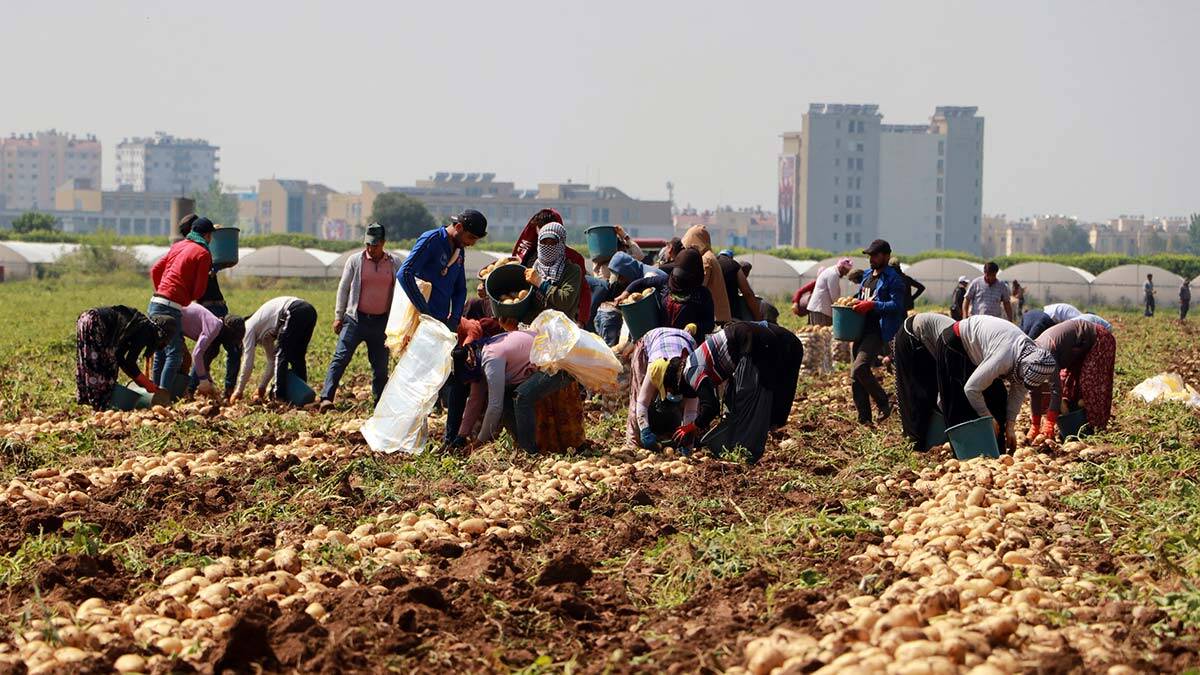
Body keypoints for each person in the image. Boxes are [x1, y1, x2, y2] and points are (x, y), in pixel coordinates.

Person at [660, 321, 803, 463]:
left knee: (747, 401)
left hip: (752, 344)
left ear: (675, 381)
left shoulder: (691, 371)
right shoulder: (693, 361)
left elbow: (711, 406)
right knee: (742, 397)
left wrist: (691, 427)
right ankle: (750, 442)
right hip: (758, 342)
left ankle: (745, 454)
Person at [934, 315, 1058, 453]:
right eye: (1024, 378)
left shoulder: (1030, 357)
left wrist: (1010, 426)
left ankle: (996, 451)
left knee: (998, 399)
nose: (1023, 382)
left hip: (979, 352)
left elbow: (1018, 391)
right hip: (955, 342)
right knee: (960, 402)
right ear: (1023, 367)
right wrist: (987, 417)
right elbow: (971, 389)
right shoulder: (1004, 357)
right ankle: (964, 453)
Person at [320, 223, 403, 408]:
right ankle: (326, 397)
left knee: (380, 367)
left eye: (374, 245)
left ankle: (379, 404)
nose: (370, 249)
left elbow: (401, 291)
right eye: (367, 244)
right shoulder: (355, 260)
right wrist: (338, 315)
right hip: (355, 320)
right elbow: (343, 288)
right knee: (340, 358)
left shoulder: (394, 263)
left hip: (381, 322)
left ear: (383, 243)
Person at [449, 330, 574, 454]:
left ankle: (529, 451)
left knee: (522, 397)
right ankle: (521, 444)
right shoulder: (478, 357)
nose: (466, 384)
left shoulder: (491, 358)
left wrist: (479, 442)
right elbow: (475, 399)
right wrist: (461, 435)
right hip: (544, 362)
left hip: (558, 363)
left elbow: (494, 407)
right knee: (507, 400)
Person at [148, 216, 214, 388]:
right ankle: (163, 396)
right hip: (171, 308)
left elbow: (155, 269)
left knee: (160, 352)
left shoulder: (178, 246)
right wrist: (184, 298)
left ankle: (154, 395)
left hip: (155, 302)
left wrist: (162, 291)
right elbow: (200, 290)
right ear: (208, 236)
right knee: (175, 353)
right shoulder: (203, 253)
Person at [848, 240, 906, 424]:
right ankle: (864, 420)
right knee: (856, 377)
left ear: (886, 256)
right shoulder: (867, 275)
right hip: (860, 330)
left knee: (860, 367)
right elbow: (862, 296)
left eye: (875, 255)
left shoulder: (894, 279)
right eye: (870, 255)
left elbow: (897, 306)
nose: (871, 259)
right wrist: (852, 301)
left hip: (877, 331)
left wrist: (873, 305)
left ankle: (883, 402)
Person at [398, 209, 486, 330]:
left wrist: (454, 319)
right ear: (459, 227)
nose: (472, 243)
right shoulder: (432, 239)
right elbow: (405, 273)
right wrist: (424, 311)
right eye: (471, 237)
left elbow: (460, 289)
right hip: (417, 321)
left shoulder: (459, 251)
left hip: (440, 322)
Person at [75, 306, 177, 410]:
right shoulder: (145, 331)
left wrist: (139, 380)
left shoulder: (140, 324)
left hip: (85, 318)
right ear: (161, 334)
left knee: (95, 363)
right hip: (96, 323)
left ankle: (98, 404)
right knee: (106, 367)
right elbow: (130, 362)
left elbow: (119, 356)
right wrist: (146, 384)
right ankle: (101, 406)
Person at [1030, 319, 1116, 439]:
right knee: (1069, 385)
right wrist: (1035, 424)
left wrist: (1049, 422)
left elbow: (1055, 388)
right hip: (1076, 350)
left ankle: (1095, 428)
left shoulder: (1045, 355)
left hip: (1098, 339)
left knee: (1089, 384)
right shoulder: (1031, 361)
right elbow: (1034, 391)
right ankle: (1075, 423)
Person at [233, 296, 318, 403]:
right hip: (309, 311)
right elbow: (272, 362)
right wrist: (261, 388)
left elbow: (248, 363)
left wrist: (238, 391)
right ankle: (302, 394)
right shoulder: (264, 332)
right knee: (297, 356)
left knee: (281, 355)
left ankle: (279, 397)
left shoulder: (247, 328)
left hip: (293, 310)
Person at [513, 209, 591, 326]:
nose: (547, 246)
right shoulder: (530, 258)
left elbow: (580, 292)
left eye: (552, 241)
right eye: (541, 231)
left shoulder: (572, 263)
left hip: (560, 325)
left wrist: (581, 321)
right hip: (532, 325)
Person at [625, 326, 698, 449]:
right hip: (652, 340)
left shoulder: (693, 377)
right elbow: (642, 402)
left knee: (689, 409)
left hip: (684, 340)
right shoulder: (656, 368)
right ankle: (633, 444)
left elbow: (691, 411)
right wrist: (645, 430)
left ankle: (674, 435)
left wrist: (687, 441)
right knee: (638, 393)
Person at [892, 312, 955, 451]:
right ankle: (914, 443)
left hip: (929, 341)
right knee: (917, 393)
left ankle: (926, 437)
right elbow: (944, 393)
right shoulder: (956, 355)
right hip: (911, 334)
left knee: (931, 391)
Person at [625, 248, 716, 337]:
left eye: (684, 276)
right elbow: (641, 282)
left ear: (695, 274)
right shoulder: (666, 282)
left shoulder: (702, 294)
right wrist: (625, 293)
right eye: (677, 274)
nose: (679, 279)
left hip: (689, 346)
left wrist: (694, 327)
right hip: (662, 342)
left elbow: (709, 324)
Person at [179, 302, 243, 399]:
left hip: (176, 315)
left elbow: (203, 357)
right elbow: (197, 354)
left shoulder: (216, 325)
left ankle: (186, 391)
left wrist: (207, 378)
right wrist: (203, 379)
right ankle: (184, 392)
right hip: (173, 316)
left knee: (211, 351)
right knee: (174, 357)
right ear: (229, 333)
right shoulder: (213, 327)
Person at [522, 222, 584, 320]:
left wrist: (540, 282)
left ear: (562, 244)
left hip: (559, 329)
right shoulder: (532, 266)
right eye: (544, 242)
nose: (547, 246)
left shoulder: (571, 270)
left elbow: (565, 300)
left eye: (552, 242)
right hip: (533, 327)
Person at [681, 225, 732, 324]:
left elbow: (700, 286)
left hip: (715, 319)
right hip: (719, 316)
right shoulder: (710, 256)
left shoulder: (705, 259)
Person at [716, 250, 763, 321]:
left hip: (711, 316)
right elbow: (748, 294)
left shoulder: (710, 263)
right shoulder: (733, 265)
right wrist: (759, 318)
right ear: (731, 257)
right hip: (731, 316)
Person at [806, 258, 853, 326]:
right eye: (846, 271)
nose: (846, 274)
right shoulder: (833, 274)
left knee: (819, 333)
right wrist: (841, 306)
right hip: (821, 310)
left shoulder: (831, 271)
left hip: (820, 309)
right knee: (822, 333)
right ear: (842, 268)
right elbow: (834, 296)